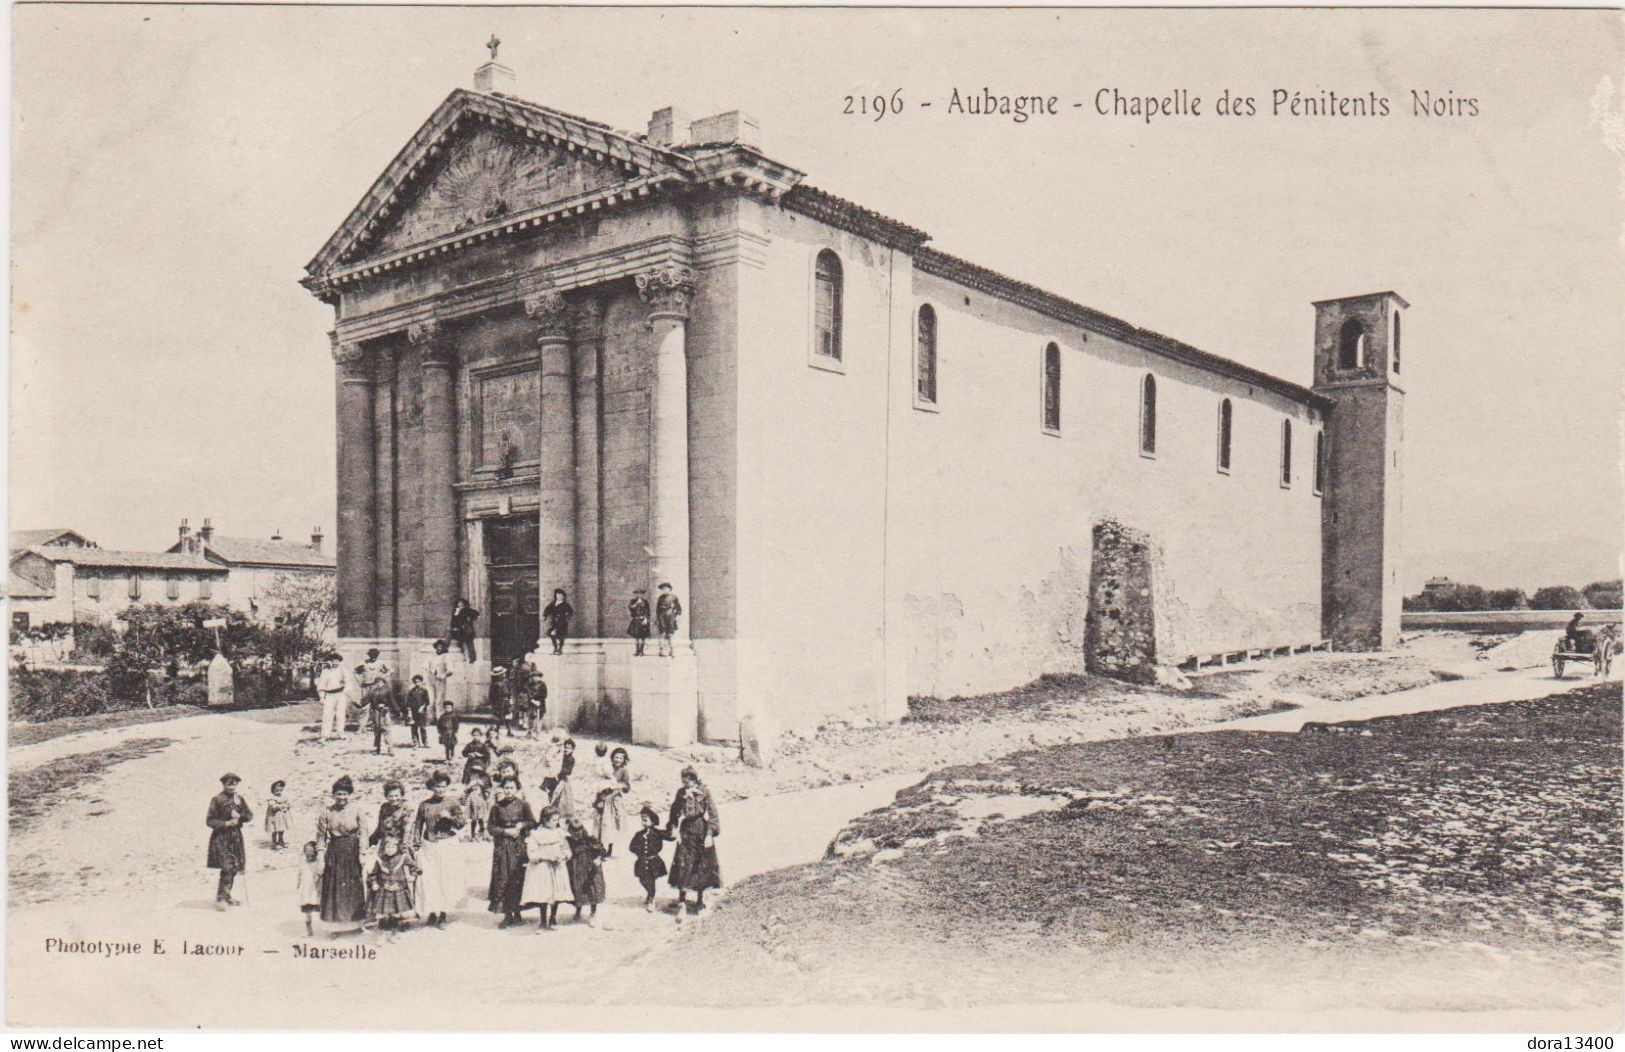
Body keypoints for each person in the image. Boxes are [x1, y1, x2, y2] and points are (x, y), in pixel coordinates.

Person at [412, 772, 466, 930]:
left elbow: (461, 823)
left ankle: (443, 914)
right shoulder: (424, 805)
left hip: (447, 844)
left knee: (445, 879)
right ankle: (432, 912)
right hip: (428, 845)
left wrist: (449, 817)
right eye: (437, 787)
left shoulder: (452, 803)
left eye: (443, 786)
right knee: (429, 880)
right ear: (432, 787)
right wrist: (416, 842)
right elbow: (417, 825)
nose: (441, 790)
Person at [667, 766, 721, 918]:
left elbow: (713, 815)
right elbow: (674, 811)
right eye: (684, 780)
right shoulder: (681, 793)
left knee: (700, 865)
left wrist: (709, 834)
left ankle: (699, 901)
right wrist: (673, 827)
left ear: (695, 779)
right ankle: (682, 902)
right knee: (683, 863)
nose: (686, 783)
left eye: (689, 780)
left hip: (700, 831)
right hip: (685, 831)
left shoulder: (704, 792)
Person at [317, 776, 371, 926]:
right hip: (334, 851)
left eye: (344, 794)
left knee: (353, 886)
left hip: (352, 850)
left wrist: (362, 852)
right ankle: (335, 925)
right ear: (333, 795)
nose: (341, 797)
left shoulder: (357, 809)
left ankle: (356, 923)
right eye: (338, 794)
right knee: (334, 887)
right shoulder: (326, 812)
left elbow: (364, 832)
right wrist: (321, 858)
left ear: (349, 794)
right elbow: (321, 836)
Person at [487, 777, 537, 928]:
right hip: (502, 847)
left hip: (518, 847)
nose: (509, 791)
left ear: (517, 789)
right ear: (502, 789)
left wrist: (521, 825)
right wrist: (505, 831)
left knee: (518, 878)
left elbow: (533, 823)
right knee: (503, 878)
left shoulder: (523, 805)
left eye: (512, 788)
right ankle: (507, 915)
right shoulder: (496, 807)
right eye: (506, 788)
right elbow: (490, 828)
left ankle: (518, 912)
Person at [205, 773, 253, 910]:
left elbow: (249, 815)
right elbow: (210, 821)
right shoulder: (217, 800)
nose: (231, 787)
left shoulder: (239, 799)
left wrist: (241, 817)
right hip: (221, 838)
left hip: (236, 837)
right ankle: (221, 898)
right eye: (229, 784)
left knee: (234, 867)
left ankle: (227, 896)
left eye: (234, 784)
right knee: (226, 867)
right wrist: (226, 823)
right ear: (224, 784)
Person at [521, 807, 572, 930]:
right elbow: (532, 853)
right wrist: (546, 857)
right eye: (553, 820)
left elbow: (566, 849)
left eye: (557, 820)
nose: (556, 822)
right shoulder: (536, 834)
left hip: (557, 866)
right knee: (544, 893)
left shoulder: (560, 833)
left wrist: (564, 855)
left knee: (556, 892)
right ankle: (543, 920)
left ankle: (553, 917)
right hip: (542, 867)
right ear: (545, 820)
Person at [367, 835, 420, 935]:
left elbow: (416, 868)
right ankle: (383, 933)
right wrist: (374, 883)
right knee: (384, 914)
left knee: (397, 912)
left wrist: (413, 875)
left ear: (397, 848)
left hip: (399, 889)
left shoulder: (403, 858)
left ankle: (395, 932)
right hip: (384, 890)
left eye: (392, 847)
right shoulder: (381, 860)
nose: (390, 850)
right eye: (387, 847)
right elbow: (372, 875)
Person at [565, 817, 607, 926]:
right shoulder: (569, 841)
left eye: (578, 832)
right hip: (576, 869)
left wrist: (598, 859)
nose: (576, 836)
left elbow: (602, 850)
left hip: (589, 868)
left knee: (592, 890)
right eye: (573, 833)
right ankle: (578, 910)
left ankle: (593, 913)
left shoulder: (590, 839)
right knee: (577, 889)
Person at [629, 805, 672, 912]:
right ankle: (649, 893)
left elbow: (670, 836)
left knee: (651, 880)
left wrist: (672, 827)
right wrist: (638, 852)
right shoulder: (639, 834)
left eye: (645, 820)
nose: (643, 822)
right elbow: (632, 847)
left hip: (654, 861)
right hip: (642, 861)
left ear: (652, 821)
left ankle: (651, 898)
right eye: (642, 820)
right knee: (642, 879)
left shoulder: (657, 833)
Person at [594, 747, 632, 847]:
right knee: (601, 822)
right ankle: (600, 846)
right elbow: (600, 780)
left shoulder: (623, 771)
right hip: (603, 797)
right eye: (616, 757)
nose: (618, 760)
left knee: (612, 824)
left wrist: (618, 786)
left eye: (620, 758)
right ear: (612, 757)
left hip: (615, 800)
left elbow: (627, 786)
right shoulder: (607, 768)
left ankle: (610, 848)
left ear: (624, 760)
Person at [370, 780, 411, 848]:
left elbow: (408, 831)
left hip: (399, 844)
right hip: (385, 844)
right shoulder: (384, 807)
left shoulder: (407, 809)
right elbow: (380, 828)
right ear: (386, 796)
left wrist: (404, 846)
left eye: (396, 795)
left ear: (402, 795)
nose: (394, 799)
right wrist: (370, 841)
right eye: (391, 796)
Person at [316, 655, 347, 740]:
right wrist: (322, 697)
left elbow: (348, 683)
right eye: (333, 660)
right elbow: (321, 684)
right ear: (330, 661)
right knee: (327, 715)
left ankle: (341, 734)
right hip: (329, 695)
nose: (335, 662)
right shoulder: (326, 671)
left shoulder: (342, 670)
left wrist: (344, 690)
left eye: (337, 661)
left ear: (339, 661)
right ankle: (325, 735)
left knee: (341, 715)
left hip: (340, 694)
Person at [296, 841, 323, 936]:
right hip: (306, 890)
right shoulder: (302, 863)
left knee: (318, 907)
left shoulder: (318, 863)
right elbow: (300, 873)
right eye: (307, 851)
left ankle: (323, 926)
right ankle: (308, 927)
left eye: (311, 851)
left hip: (315, 889)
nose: (309, 853)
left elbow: (321, 874)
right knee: (307, 909)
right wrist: (298, 884)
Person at [426, 639, 454, 719]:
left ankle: (439, 718)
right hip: (430, 679)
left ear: (444, 648)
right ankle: (430, 718)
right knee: (430, 699)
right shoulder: (431, 656)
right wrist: (430, 671)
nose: (439, 649)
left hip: (440, 680)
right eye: (437, 647)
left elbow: (451, 670)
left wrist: (443, 675)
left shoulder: (446, 657)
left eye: (441, 647)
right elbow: (426, 666)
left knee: (439, 700)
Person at [542, 589, 574, 656]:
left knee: (561, 635)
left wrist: (567, 614)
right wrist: (545, 615)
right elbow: (547, 609)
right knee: (551, 633)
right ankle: (556, 647)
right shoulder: (554, 603)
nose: (559, 597)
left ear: (563, 596)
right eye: (558, 595)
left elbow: (570, 611)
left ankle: (560, 649)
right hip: (554, 622)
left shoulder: (565, 604)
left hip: (562, 622)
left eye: (561, 595)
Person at [655, 583, 682, 658]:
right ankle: (662, 650)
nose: (664, 590)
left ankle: (672, 650)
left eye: (666, 588)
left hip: (670, 617)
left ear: (669, 589)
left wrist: (676, 615)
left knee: (670, 634)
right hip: (662, 617)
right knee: (662, 634)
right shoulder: (660, 598)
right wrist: (657, 619)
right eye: (663, 589)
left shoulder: (674, 597)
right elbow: (658, 609)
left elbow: (678, 608)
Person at [449, 599, 480, 664]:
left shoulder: (467, 610)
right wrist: (453, 627)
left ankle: (472, 659)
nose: (460, 604)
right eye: (459, 603)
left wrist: (470, 618)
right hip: (459, 630)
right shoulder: (456, 610)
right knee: (459, 644)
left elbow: (476, 613)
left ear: (464, 604)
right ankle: (462, 657)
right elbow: (453, 620)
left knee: (470, 644)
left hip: (467, 630)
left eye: (461, 603)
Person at [405, 675, 430, 748]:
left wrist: (422, 707)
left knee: (423, 727)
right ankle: (416, 743)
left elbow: (427, 701)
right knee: (414, 727)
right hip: (414, 712)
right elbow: (408, 703)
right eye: (415, 682)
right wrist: (409, 712)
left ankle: (425, 742)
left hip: (422, 712)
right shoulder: (411, 691)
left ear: (421, 682)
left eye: (418, 682)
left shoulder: (424, 691)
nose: (417, 683)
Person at [264, 779, 290, 851]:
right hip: (274, 817)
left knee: (281, 830)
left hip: (281, 818)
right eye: (277, 790)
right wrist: (280, 806)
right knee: (274, 830)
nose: (279, 792)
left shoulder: (283, 797)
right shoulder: (271, 798)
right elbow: (273, 806)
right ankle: (274, 843)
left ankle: (281, 841)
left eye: (281, 790)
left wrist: (287, 806)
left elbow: (288, 804)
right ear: (273, 790)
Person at [465, 776, 489, 842]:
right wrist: (467, 815)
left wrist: (485, 813)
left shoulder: (482, 796)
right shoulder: (471, 796)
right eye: (474, 789)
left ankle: (482, 834)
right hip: (474, 813)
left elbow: (485, 804)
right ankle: (473, 835)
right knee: (474, 823)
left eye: (477, 789)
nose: (475, 791)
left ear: (481, 789)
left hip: (481, 813)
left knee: (481, 823)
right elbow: (467, 805)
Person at [627, 589, 651, 657]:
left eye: (640, 593)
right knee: (636, 636)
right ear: (636, 594)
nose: (639, 595)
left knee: (643, 636)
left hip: (643, 619)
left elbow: (647, 611)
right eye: (637, 593)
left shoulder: (645, 602)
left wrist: (646, 619)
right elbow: (630, 607)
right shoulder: (633, 601)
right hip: (636, 620)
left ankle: (641, 650)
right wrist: (637, 603)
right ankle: (637, 650)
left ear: (642, 594)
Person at [525, 670, 546, 738]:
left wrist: (539, 701)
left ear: (540, 677)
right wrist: (533, 700)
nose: (536, 678)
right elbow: (528, 693)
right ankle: (529, 732)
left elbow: (545, 694)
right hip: (531, 703)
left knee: (539, 718)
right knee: (530, 718)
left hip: (540, 703)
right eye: (534, 677)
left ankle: (538, 733)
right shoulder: (529, 684)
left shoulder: (543, 684)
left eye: (537, 677)